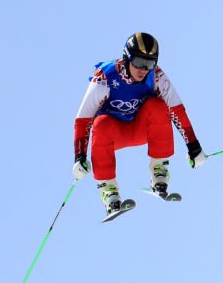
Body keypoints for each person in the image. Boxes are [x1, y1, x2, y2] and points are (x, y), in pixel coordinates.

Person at [72, 32, 206, 215]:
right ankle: (109, 192)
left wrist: (193, 146)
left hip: (143, 129)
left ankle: (159, 172)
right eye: (138, 62)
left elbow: (177, 110)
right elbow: (83, 119)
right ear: (127, 58)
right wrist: (79, 157)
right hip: (112, 134)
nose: (143, 69)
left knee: (159, 106)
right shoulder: (105, 77)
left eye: (149, 63)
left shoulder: (156, 76)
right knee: (100, 123)